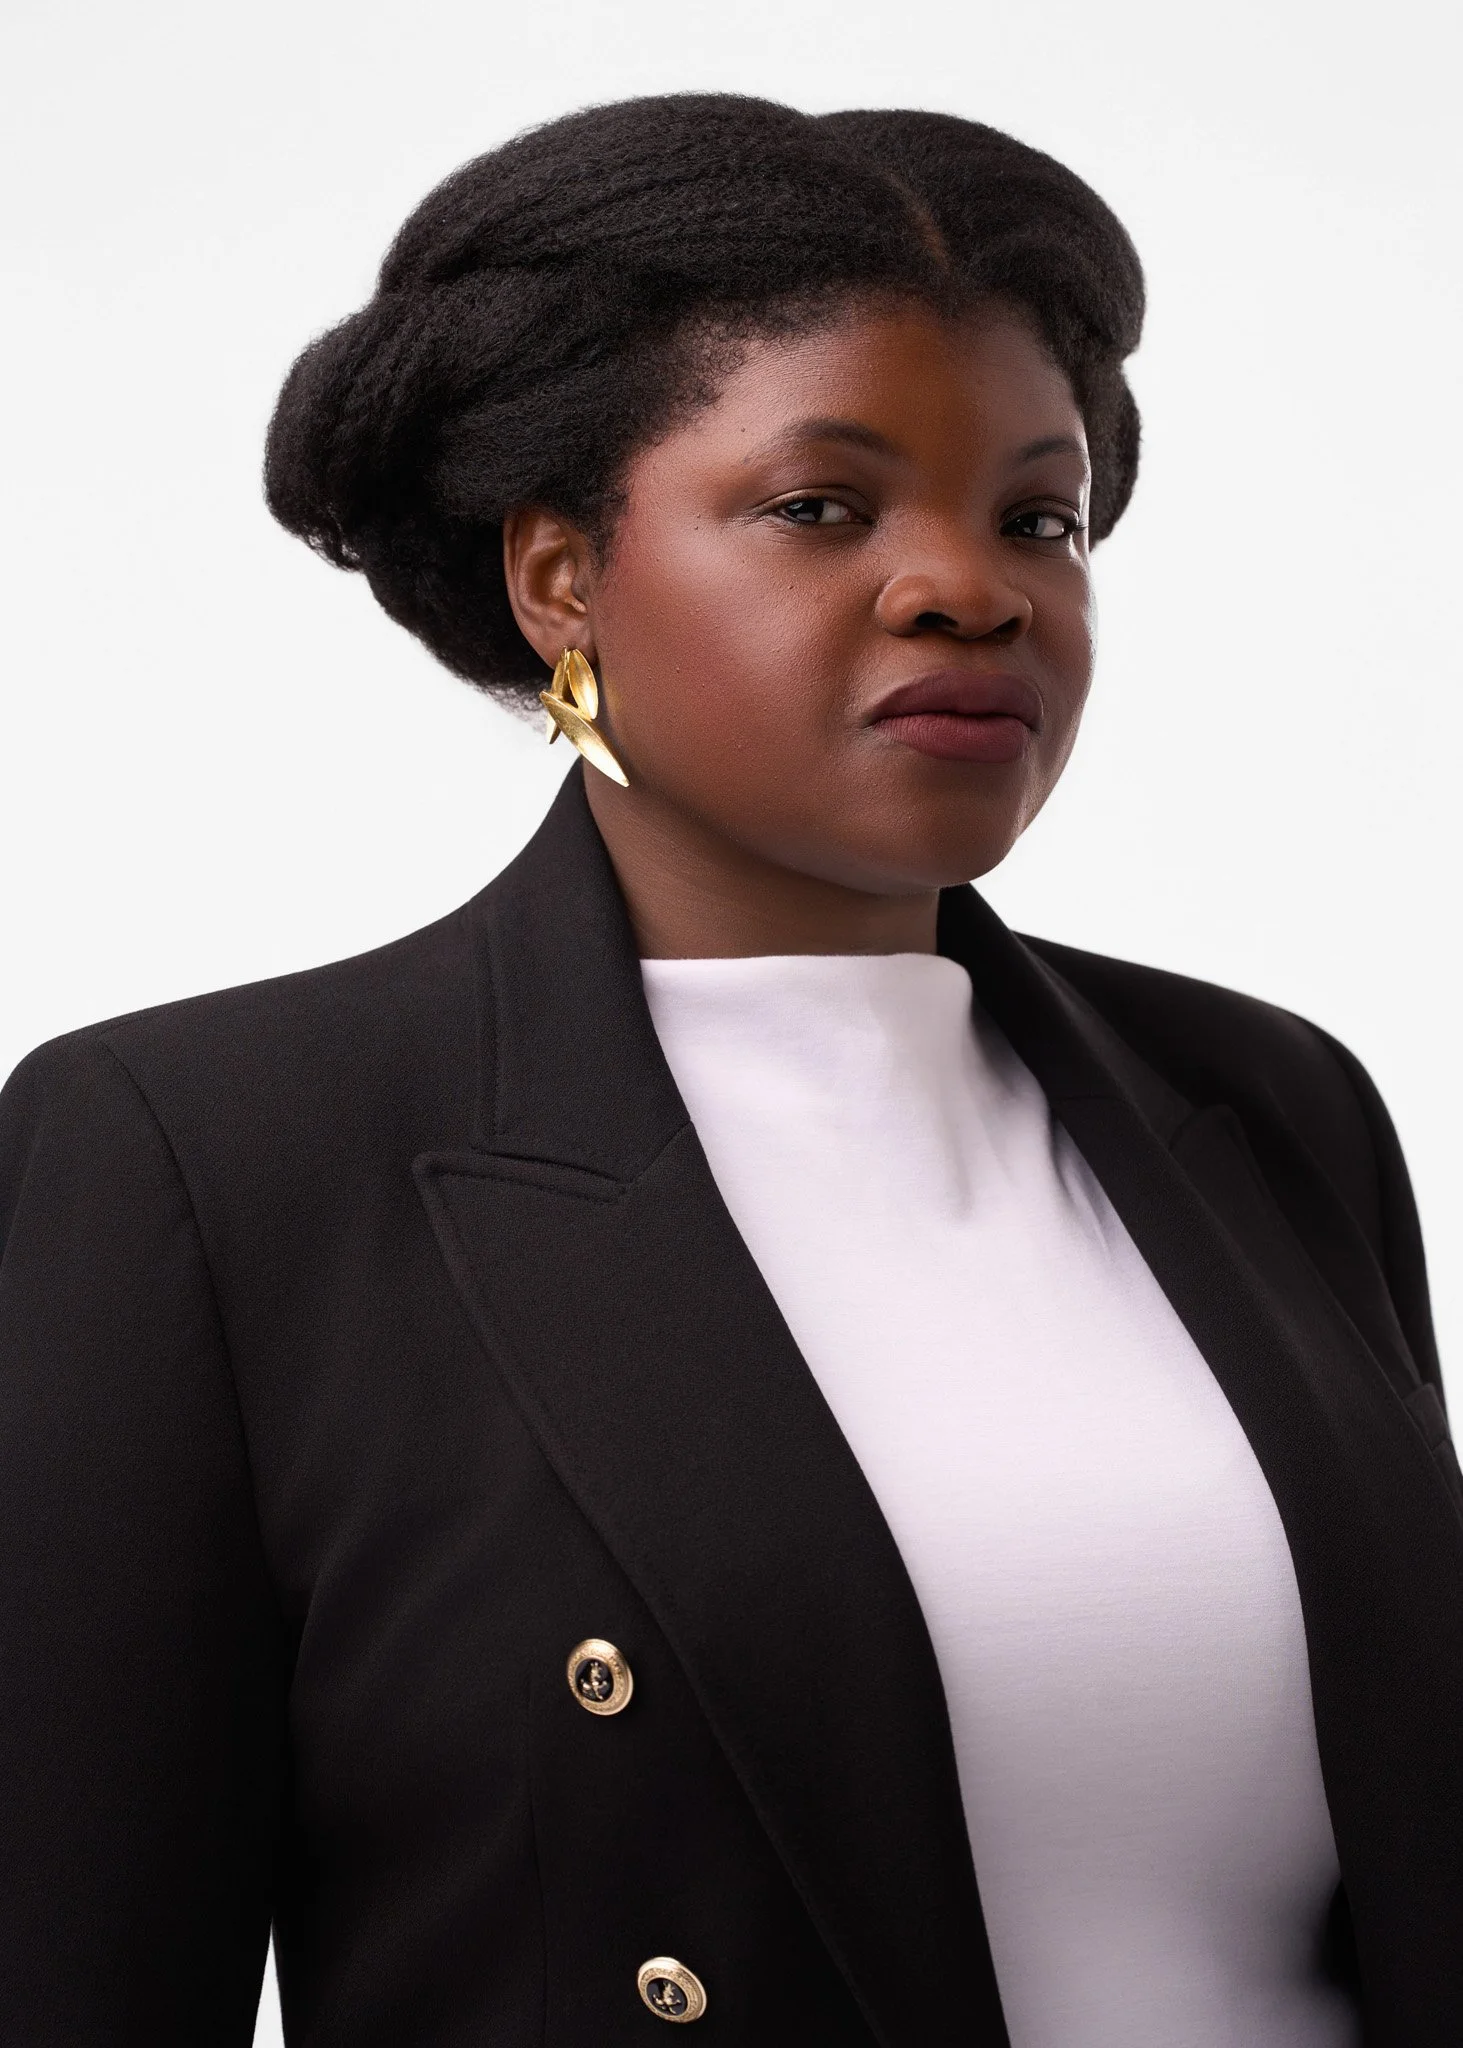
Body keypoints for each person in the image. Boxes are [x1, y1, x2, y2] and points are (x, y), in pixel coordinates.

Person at [0, 92, 1457, 2048]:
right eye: (821, 506)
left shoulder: (1270, 1108)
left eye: (1038, 515)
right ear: (558, 582)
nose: (971, 586)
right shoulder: (209, 1160)